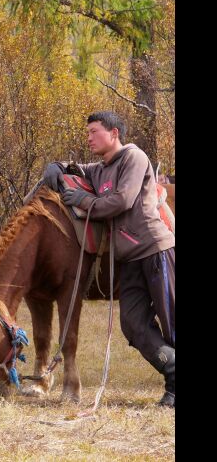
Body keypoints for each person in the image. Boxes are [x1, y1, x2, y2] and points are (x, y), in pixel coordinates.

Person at [43, 111, 175, 408]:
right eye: (87, 132)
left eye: (94, 131)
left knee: (172, 321)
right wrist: (57, 166)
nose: (88, 137)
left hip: (155, 250)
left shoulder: (133, 157)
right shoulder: (99, 168)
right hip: (128, 261)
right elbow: (75, 168)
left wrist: (86, 202)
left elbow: (122, 200)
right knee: (133, 325)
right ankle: (174, 372)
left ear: (113, 133)